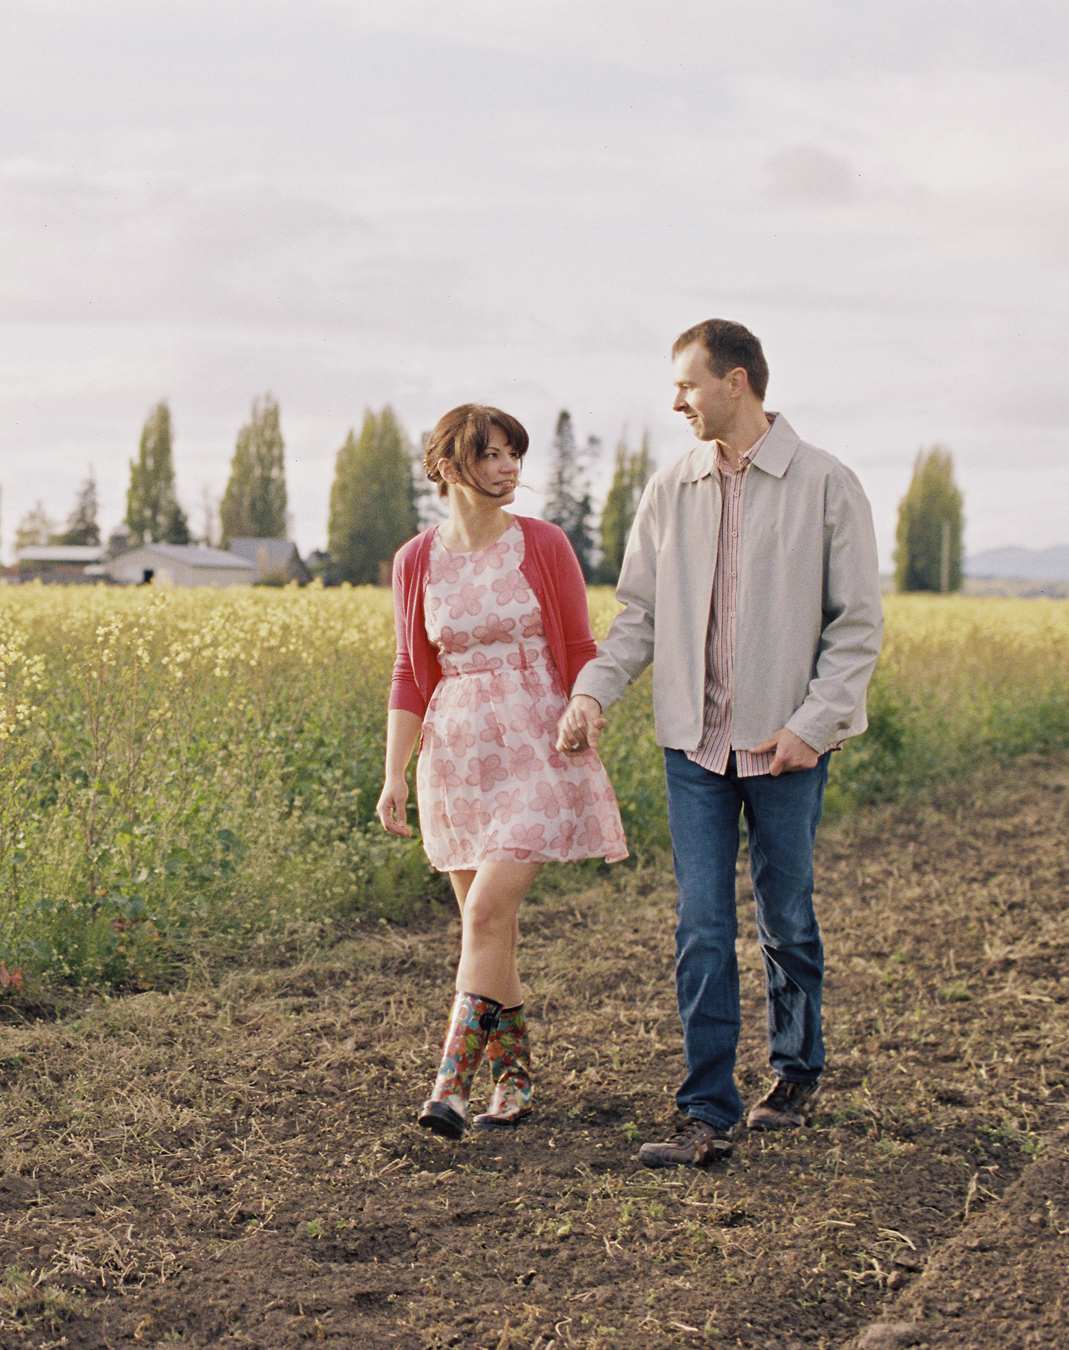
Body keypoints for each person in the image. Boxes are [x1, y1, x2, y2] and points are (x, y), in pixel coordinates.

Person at [558, 319, 882, 1168]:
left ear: (736, 382)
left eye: (687, 385)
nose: (677, 402)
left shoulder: (825, 484)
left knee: (785, 918)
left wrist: (811, 728)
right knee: (701, 926)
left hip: (784, 749)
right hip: (692, 748)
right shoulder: (672, 487)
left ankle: (796, 1069)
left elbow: (855, 629)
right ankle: (706, 1109)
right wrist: (593, 693)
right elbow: (639, 616)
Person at [378, 403, 628, 1139]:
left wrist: (585, 702)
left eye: (513, 454)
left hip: (539, 742)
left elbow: (579, 644)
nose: (507, 467)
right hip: (455, 753)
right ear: (449, 468)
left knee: (485, 916)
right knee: (488, 929)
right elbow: (407, 671)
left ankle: (448, 1088)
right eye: (489, 456)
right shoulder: (414, 560)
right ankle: (513, 1081)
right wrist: (395, 772)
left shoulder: (543, 544)